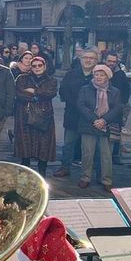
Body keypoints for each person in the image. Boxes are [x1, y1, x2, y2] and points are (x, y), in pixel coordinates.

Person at [78, 64, 125, 189]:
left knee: (106, 155)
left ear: (108, 77)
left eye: (102, 75)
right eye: (96, 74)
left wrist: (104, 120)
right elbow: (81, 105)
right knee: (87, 153)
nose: (98, 77)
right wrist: (95, 120)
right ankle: (85, 177)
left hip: (107, 126)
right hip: (88, 124)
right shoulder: (85, 89)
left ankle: (106, 180)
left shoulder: (115, 91)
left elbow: (117, 108)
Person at [14, 54, 57, 175]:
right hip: (25, 116)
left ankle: (42, 174)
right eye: (34, 66)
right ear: (30, 67)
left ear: (44, 66)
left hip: (45, 117)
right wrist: (38, 96)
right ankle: (25, 174)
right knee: (25, 146)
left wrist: (34, 92)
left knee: (43, 147)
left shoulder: (51, 80)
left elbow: (50, 93)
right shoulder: (22, 78)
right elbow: (19, 94)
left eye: (40, 65)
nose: (37, 68)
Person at [56, 50, 97, 178]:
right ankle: (65, 167)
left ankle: (88, 172)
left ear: (96, 61)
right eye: (86, 57)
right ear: (80, 59)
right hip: (72, 114)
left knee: (89, 147)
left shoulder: (98, 75)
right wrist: (77, 104)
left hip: (90, 116)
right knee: (68, 143)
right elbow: (63, 91)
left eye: (91, 58)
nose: (88, 60)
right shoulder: (71, 74)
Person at [104, 53, 131, 165]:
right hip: (102, 109)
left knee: (116, 133)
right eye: (109, 61)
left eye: (114, 61)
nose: (111, 63)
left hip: (116, 109)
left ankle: (115, 156)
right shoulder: (100, 72)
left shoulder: (120, 75)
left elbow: (126, 91)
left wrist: (121, 104)